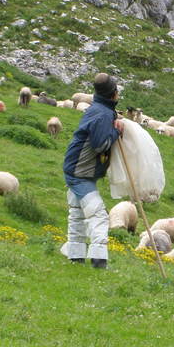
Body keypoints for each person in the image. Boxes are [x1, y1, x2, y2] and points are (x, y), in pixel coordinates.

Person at [62, 73, 124, 268]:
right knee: (98, 214)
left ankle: (76, 256)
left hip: (76, 168)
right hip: (81, 172)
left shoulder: (99, 109)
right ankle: (99, 259)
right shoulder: (103, 114)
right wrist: (117, 131)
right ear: (113, 94)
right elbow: (100, 144)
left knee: (77, 213)